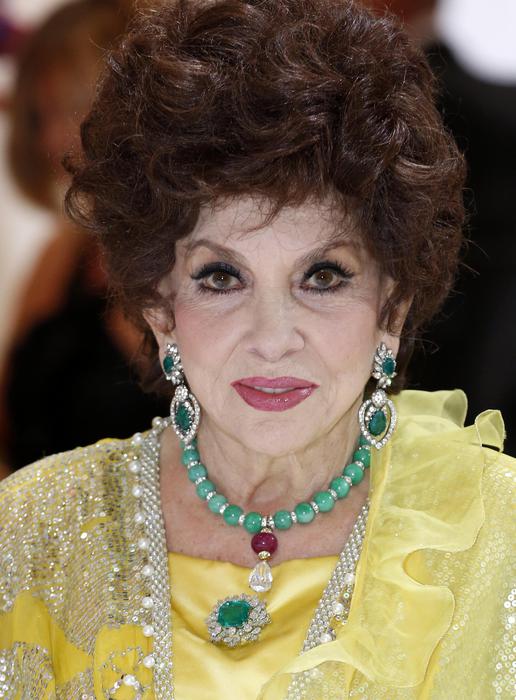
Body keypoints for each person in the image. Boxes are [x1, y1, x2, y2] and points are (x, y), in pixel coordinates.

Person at [0, 1, 513, 697]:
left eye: (323, 276)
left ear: (391, 305)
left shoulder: (494, 545)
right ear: (159, 305)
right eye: (221, 277)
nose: (273, 338)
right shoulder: (33, 531)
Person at [0, 0, 168, 470]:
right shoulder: (61, 254)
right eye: (40, 117)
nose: (52, 140)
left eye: (71, 110)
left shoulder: (200, 254)